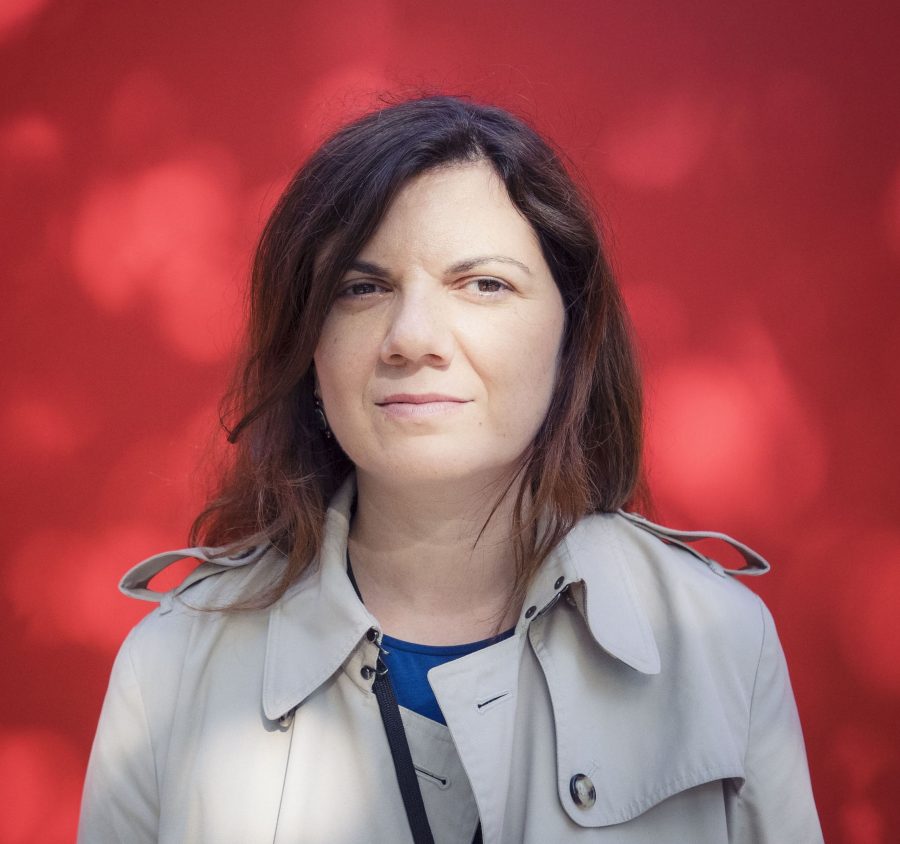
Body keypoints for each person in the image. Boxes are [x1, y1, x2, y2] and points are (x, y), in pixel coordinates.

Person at [78, 94, 823, 843]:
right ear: (310, 349)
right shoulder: (170, 665)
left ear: (571, 337)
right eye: (362, 288)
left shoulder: (718, 641)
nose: (413, 337)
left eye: (484, 284)